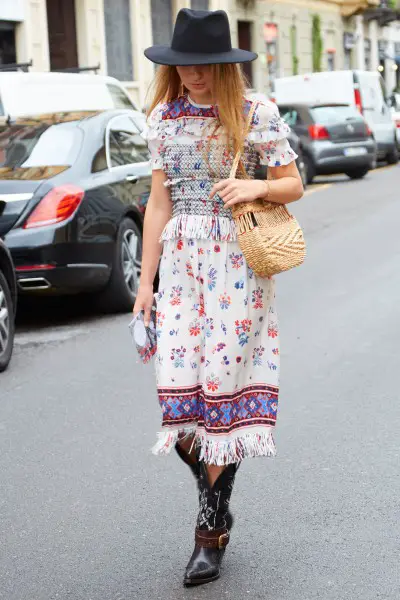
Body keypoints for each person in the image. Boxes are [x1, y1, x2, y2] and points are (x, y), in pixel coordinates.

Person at [134, 8, 304, 587]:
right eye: (185, 67)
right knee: (179, 399)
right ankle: (220, 505)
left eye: (205, 66)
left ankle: (209, 530)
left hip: (237, 264)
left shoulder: (255, 113)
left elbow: (293, 184)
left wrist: (257, 183)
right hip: (181, 267)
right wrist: (145, 282)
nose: (195, 77)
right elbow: (159, 204)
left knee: (221, 390)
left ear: (225, 66)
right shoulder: (163, 117)